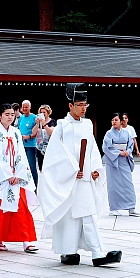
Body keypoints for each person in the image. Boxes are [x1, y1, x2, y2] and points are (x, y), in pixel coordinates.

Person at [39, 84, 122, 266]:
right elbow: (55, 154)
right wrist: (70, 170)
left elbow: (92, 147)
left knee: (88, 214)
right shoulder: (62, 126)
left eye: (85, 104)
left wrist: (94, 168)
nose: (84, 108)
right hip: (69, 180)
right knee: (71, 217)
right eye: (80, 105)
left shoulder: (87, 124)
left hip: (85, 179)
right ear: (71, 106)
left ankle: (97, 253)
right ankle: (69, 252)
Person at [0, 103, 38, 253]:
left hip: (16, 176)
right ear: (0, 115)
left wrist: (17, 173)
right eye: (6, 114)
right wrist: (7, 175)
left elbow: (21, 154)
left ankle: (26, 241)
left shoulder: (16, 133)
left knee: (22, 209)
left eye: (11, 114)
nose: (9, 117)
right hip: (2, 179)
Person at [102, 113, 139, 217]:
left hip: (124, 161)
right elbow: (106, 147)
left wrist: (128, 151)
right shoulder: (109, 134)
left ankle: (131, 207)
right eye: (112, 120)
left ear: (121, 122)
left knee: (128, 184)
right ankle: (113, 208)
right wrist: (118, 153)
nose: (114, 122)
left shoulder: (126, 133)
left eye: (116, 120)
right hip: (113, 161)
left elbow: (130, 145)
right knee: (113, 185)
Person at [17, 100, 40, 188]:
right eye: (23, 107)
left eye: (26, 107)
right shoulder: (21, 118)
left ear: (30, 107)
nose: (25, 109)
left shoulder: (34, 117)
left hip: (30, 145)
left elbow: (37, 132)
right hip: (21, 146)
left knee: (32, 168)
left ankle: (34, 187)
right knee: (22, 167)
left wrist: (29, 137)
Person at [36, 104, 56, 171]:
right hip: (40, 146)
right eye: (41, 113)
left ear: (48, 112)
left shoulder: (52, 122)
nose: (43, 114)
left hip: (50, 146)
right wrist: (37, 124)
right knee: (40, 166)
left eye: (44, 112)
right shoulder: (38, 122)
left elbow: (51, 132)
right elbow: (33, 132)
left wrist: (44, 124)